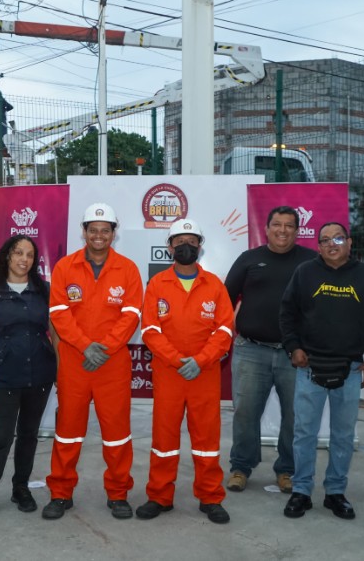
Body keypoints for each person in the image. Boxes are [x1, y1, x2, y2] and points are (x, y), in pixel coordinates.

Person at [279, 222, 364, 520]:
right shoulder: (305, 273)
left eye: (338, 238)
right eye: (324, 240)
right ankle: (301, 491)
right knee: (304, 433)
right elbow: (287, 313)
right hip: (310, 367)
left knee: (342, 435)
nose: (331, 244)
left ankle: (336, 492)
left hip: (350, 369)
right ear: (318, 246)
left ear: (349, 242)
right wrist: (293, 347)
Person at [43, 202, 143, 521]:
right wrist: (87, 347)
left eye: (105, 230)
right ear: (84, 232)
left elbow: (132, 315)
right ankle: (60, 493)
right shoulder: (64, 267)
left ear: (113, 234)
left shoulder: (127, 269)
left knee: (117, 433)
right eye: (93, 230)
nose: (99, 235)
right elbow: (58, 314)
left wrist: (105, 348)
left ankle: (118, 493)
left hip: (112, 364)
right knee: (68, 433)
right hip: (75, 362)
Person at [135, 219, 234, 524]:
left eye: (191, 241)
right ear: (170, 248)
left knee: (206, 439)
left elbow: (225, 330)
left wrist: (201, 360)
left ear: (200, 247)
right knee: (163, 439)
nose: (185, 247)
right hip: (169, 373)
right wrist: (178, 360)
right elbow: (150, 330)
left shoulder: (215, 285)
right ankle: (159, 496)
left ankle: (210, 496)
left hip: (204, 375)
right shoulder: (157, 285)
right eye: (179, 242)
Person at [0, 235, 58, 526]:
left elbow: (54, 334)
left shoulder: (45, 290)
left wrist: (62, 372)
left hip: (39, 375)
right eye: (18, 253)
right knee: (1, 437)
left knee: (29, 435)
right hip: (4, 375)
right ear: (7, 256)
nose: (24, 259)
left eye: (30, 255)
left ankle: (21, 489)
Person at [224, 206, 316, 494]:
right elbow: (224, 298)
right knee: (245, 413)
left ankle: (286, 470)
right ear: (266, 228)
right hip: (251, 350)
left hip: (296, 355)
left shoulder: (311, 261)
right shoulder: (249, 259)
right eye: (277, 224)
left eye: (289, 225)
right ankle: (241, 467)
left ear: (297, 230)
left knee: (295, 415)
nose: (283, 230)